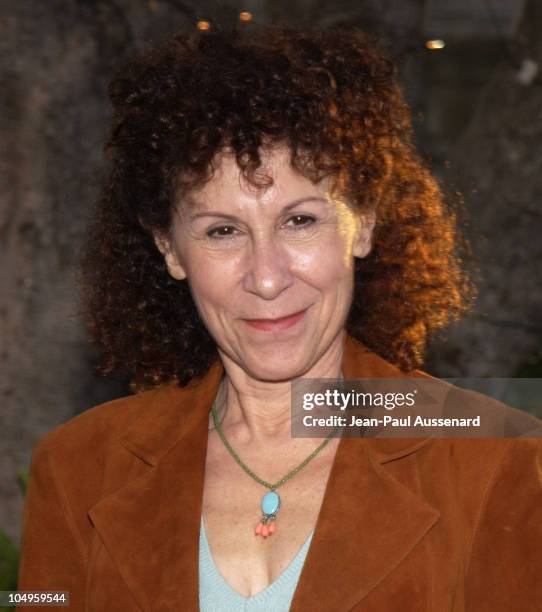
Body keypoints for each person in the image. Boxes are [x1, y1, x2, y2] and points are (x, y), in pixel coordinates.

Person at [17, 24, 541, 612]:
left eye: (300, 221)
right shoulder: (77, 465)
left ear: (363, 222)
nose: (266, 278)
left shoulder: (504, 459)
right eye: (222, 231)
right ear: (168, 249)